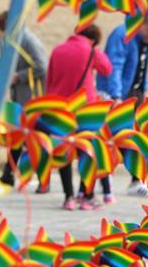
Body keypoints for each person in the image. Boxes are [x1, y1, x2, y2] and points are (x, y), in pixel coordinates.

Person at [46, 25, 113, 210]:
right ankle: (87, 197)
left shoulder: (58, 50)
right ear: (94, 39)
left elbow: (49, 78)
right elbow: (107, 69)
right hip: (85, 108)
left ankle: (68, 197)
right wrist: (96, 50)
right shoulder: (91, 50)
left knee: (64, 151)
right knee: (87, 151)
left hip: (61, 108)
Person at [97, 21, 148, 197]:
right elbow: (114, 66)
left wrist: (144, 90)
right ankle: (103, 176)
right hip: (117, 92)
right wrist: (116, 95)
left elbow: (143, 67)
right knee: (112, 136)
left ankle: (135, 180)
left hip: (135, 91)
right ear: (140, 24)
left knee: (135, 136)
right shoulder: (122, 35)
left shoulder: (147, 41)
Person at [0, 11, 48, 187]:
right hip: (18, 98)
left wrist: (19, 77)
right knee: (15, 137)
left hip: (32, 98)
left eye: (3, 29)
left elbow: (42, 67)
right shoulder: (11, 41)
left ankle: (43, 179)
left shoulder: (29, 40)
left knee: (36, 140)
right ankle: (8, 173)